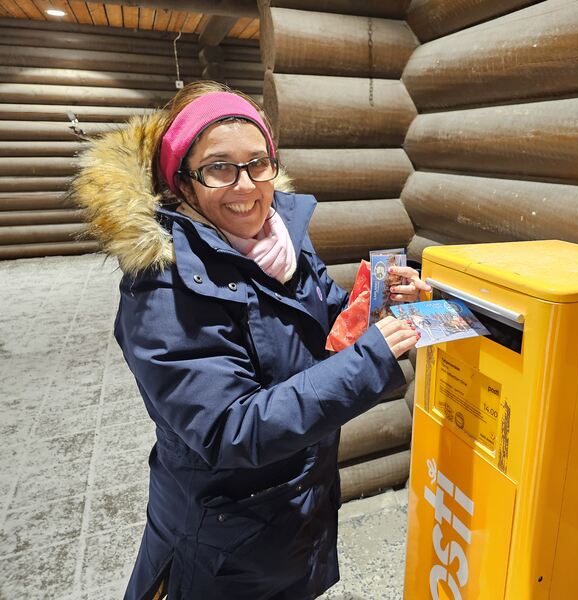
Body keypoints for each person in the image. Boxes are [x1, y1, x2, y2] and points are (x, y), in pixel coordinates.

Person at [71, 81, 429, 600]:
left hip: (292, 508)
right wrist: (372, 358)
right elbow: (230, 427)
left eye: (257, 163)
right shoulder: (162, 287)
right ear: (183, 183)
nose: (245, 186)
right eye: (220, 167)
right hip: (223, 537)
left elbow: (322, 322)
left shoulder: (279, 239)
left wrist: (378, 303)